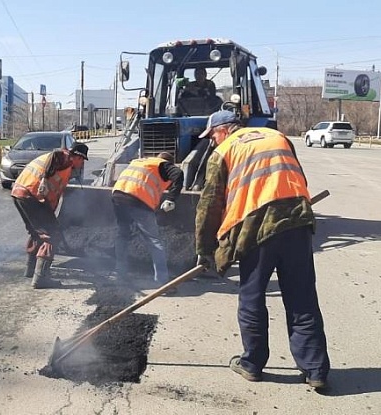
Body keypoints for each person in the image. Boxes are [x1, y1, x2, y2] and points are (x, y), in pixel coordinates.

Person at [194, 110, 331, 391]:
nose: (211, 142)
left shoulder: (225, 150)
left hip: (255, 226)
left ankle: (252, 363)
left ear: (224, 130)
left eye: (212, 136)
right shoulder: (277, 136)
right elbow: (296, 177)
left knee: (252, 296)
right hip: (297, 220)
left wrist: (205, 249)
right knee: (302, 296)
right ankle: (315, 369)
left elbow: (209, 204)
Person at [11, 143, 89, 289]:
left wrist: (50, 214)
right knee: (52, 235)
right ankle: (41, 278)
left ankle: (30, 269)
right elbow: (56, 155)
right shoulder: (62, 158)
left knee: (36, 233)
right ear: (77, 156)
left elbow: (53, 192)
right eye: (82, 160)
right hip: (32, 195)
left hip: (19, 193)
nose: (82, 164)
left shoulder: (64, 165)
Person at [111, 151, 184, 289]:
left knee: (123, 235)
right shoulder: (163, 165)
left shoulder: (141, 161)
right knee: (154, 241)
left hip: (118, 196)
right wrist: (171, 199)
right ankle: (162, 281)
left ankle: (120, 275)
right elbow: (179, 174)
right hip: (138, 199)